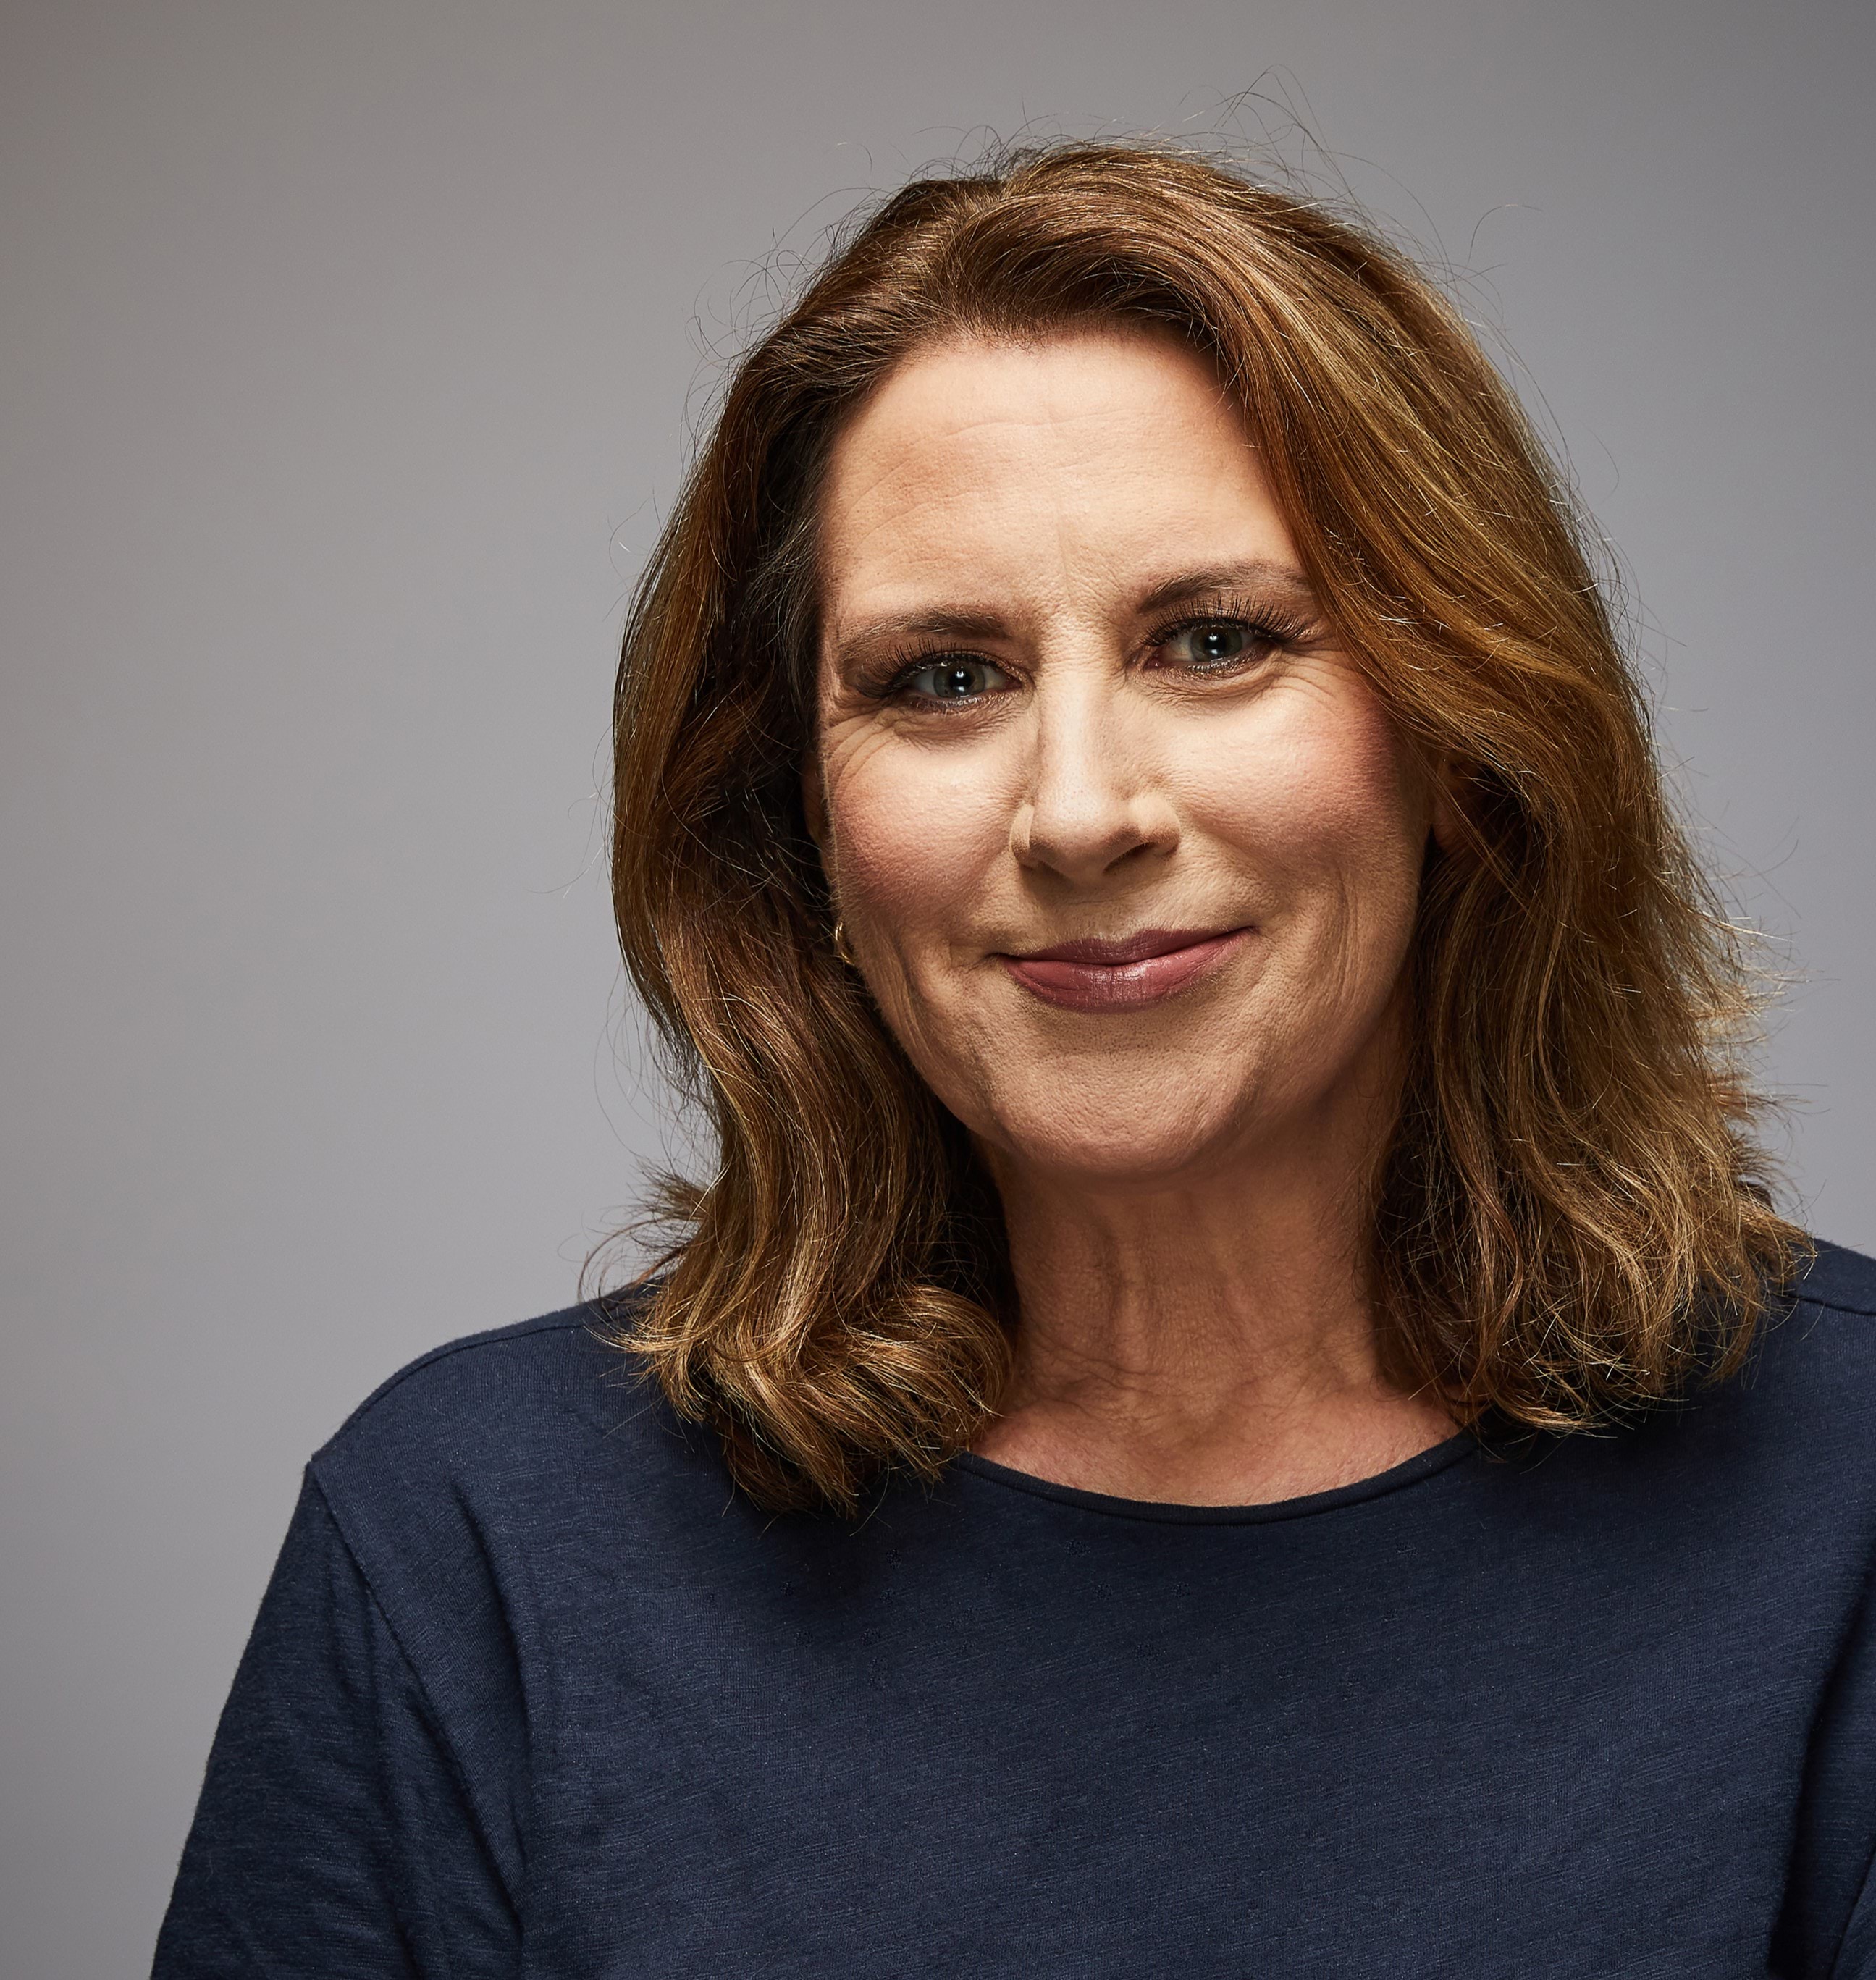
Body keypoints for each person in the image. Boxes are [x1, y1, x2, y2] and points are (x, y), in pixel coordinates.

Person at [153, 142, 1876, 1977]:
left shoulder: (1843, 1504)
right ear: (796, 821)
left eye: (1216, 642)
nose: (1078, 812)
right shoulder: (469, 1545)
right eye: (944, 680)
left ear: (1464, 746)